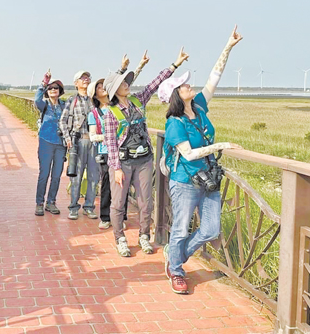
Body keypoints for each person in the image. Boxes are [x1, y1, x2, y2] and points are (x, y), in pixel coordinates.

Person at [160, 27, 243, 294]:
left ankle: (175, 256)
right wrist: (223, 145)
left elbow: (214, 78)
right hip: (185, 181)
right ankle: (177, 271)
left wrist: (228, 47)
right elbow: (189, 154)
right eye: (183, 85)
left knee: (210, 229)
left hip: (209, 179)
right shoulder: (174, 124)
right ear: (175, 94)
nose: (189, 85)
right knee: (181, 229)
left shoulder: (199, 106)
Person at [104, 48, 189, 257]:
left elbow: (154, 83)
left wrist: (175, 64)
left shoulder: (137, 100)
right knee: (118, 203)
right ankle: (120, 238)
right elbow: (111, 143)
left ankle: (144, 236)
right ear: (115, 90)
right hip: (123, 162)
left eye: (127, 82)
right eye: (123, 83)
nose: (127, 84)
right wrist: (115, 168)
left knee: (146, 201)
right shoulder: (110, 113)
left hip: (144, 159)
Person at [88, 52, 149, 229]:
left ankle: (119, 217)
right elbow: (94, 136)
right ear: (95, 95)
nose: (103, 89)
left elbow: (120, 81)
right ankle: (107, 217)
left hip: (125, 153)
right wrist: (109, 137)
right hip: (107, 152)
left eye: (103, 87)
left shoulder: (119, 105)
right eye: (99, 88)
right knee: (108, 185)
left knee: (123, 188)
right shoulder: (96, 113)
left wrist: (133, 67)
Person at [59, 70, 100, 220]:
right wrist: (67, 138)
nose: (86, 80)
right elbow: (62, 121)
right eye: (82, 78)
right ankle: (73, 207)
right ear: (76, 83)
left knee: (94, 176)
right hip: (77, 142)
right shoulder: (71, 101)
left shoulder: (96, 100)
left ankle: (89, 207)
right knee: (75, 177)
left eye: (88, 77)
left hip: (95, 141)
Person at [34, 70, 66, 216]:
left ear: (60, 91)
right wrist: (43, 83)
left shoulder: (64, 105)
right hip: (46, 141)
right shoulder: (44, 105)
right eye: (51, 88)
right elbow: (36, 100)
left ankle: (51, 202)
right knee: (44, 173)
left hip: (61, 144)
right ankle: (39, 203)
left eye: (56, 88)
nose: (53, 90)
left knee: (57, 174)